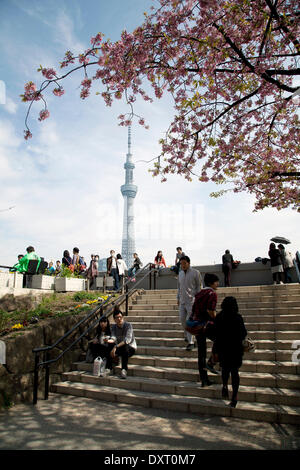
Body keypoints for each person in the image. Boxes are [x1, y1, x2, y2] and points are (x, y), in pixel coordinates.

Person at [214, 296, 247, 408]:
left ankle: (224, 385)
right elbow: (243, 333)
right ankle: (235, 396)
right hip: (235, 349)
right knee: (235, 372)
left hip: (223, 349)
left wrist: (215, 350)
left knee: (224, 369)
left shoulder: (219, 317)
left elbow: (216, 335)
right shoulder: (238, 317)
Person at [189, 273, 219, 386]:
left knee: (201, 353)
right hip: (207, 325)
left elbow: (194, 309)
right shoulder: (212, 294)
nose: (218, 284)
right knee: (221, 340)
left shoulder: (199, 293)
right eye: (216, 282)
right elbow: (211, 311)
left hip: (197, 325)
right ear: (211, 283)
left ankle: (204, 379)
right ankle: (211, 362)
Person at [177, 255, 202, 351]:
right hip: (182, 301)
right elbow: (179, 287)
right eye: (181, 264)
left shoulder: (196, 273)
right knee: (182, 320)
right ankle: (187, 335)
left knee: (189, 321)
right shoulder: (180, 274)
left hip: (192, 301)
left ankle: (191, 342)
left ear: (188, 263)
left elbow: (199, 286)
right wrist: (178, 298)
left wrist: (198, 299)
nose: (182, 265)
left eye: (184, 263)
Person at [110, 307, 137, 379]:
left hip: (130, 347)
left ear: (123, 317)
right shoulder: (114, 327)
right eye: (117, 317)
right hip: (119, 347)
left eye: (120, 317)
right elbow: (113, 337)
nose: (119, 319)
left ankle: (124, 369)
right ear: (114, 319)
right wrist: (109, 341)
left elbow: (127, 340)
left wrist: (115, 347)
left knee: (125, 346)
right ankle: (108, 367)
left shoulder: (128, 325)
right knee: (108, 346)